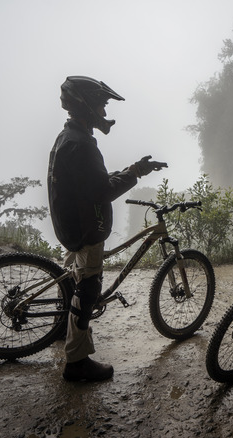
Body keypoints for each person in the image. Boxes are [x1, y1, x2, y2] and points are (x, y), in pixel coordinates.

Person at [48, 76, 167, 382]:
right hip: (85, 228)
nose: (104, 110)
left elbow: (90, 183)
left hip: (71, 222)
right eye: (101, 104)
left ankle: (66, 326)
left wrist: (130, 170)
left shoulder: (69, 137)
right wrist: (135, 172)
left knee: (77, 279)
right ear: (86, 105)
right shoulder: (82, 144)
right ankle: (76, 362)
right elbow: (102, 191)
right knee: (89, 286)